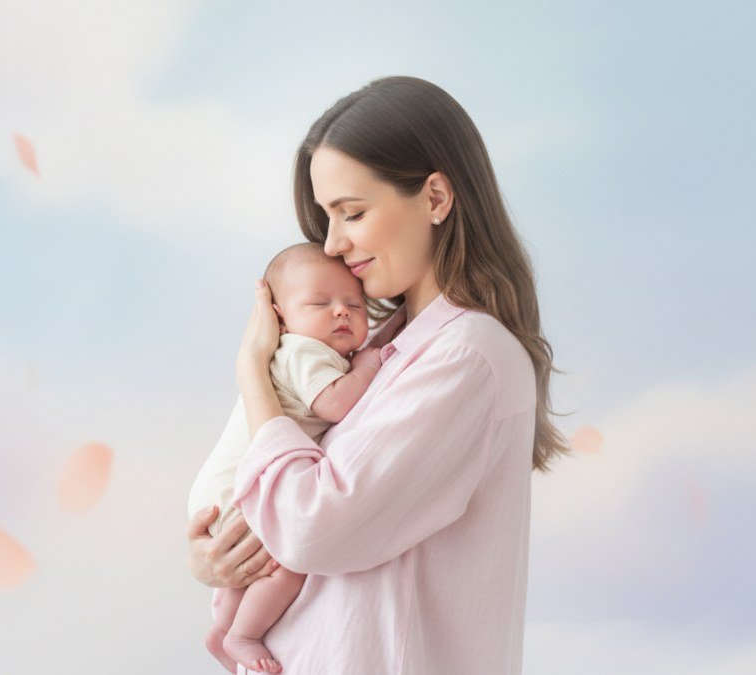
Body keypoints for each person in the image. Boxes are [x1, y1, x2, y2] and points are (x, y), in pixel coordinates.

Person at [185, 75, 569, 674]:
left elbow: (312, 526)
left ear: (436, 198)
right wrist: (220, 559)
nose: (333, 245)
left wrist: (254, 377)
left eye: (352, 213)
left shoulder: (466, 358)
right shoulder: (385, 347)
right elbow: (290, 524)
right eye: (327, 218)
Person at [189, 243, 384, 673]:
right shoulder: (302, 352)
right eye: (321, 303)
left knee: (253, 567)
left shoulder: (302, 354)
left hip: (224, 487)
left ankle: (222, 630)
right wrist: (368, 366)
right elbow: (334, 404)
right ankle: (244, 635)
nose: (342, 312)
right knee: (290, 563)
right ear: (279, 318)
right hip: (240, 487)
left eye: (354, 303)